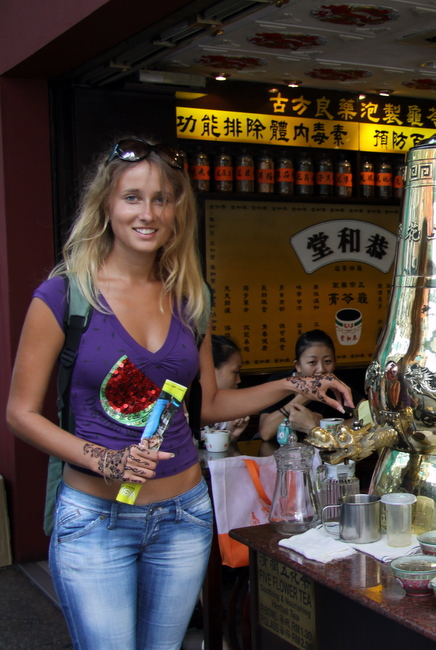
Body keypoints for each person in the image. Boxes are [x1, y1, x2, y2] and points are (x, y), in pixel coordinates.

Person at [5, 137, 353, 650]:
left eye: (161, 199)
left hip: (183, 515)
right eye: (132, 197)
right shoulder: (64, 294)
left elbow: (208, 406)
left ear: (176, 212)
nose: (147, 213)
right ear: (106, 205)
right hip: (96, 517)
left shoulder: (191, 297)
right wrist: (106, 459)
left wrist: (295, 383)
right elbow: (20, 413)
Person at [258, 329, 350, 441]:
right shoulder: (278, 382)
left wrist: (319, 425)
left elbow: (362, 419)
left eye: (327, 361)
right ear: (298, 365)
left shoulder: (337, 384)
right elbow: (265, 433)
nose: (321, 369)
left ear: (335, 362)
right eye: (312, 362)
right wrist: (304, 396)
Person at [210, 334, 250, 440]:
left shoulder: (226, 412)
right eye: (235, 372)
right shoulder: (177, 406)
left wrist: (230, 436)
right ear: (209, 369)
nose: (238, 380)